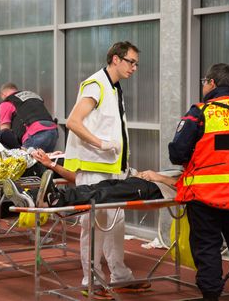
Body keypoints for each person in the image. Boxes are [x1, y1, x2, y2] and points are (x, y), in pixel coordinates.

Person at [64, 41, 145, 290]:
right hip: (93, 170)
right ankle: (92, 280)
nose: (134, 68)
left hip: (112, 170)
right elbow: (73, 121)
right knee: (94, 227)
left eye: (136, 64)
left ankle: (120, 275)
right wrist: (100, 143)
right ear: (115, 59)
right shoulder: (96, 84)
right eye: (131, 62)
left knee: (115, 225)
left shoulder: (114, 88)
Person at [168, 63, 229, 301]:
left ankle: (212, 295)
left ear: (211, 83)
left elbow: (177, 153)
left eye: (204, 81)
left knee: (207, 246)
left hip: (205, 196)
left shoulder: (199, 112)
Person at [2, 168, 177, 209]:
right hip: (147, 181)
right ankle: (30, 196)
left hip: (156, 189)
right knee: (94, 187)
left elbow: (189, 185)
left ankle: (53, 199)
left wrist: (158, 177)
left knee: (102, 194)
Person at [0, 82, 58, 152]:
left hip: (35, 133)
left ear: (2, 94)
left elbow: (4, 132)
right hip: (53, 131)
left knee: (26, 161)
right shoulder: (31, 97)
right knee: (44, 161)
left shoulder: (7, 102)